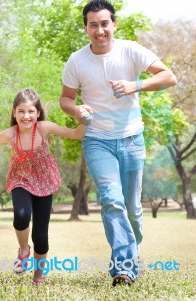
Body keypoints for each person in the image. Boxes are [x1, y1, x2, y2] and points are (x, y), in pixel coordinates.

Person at [60, 0, 177, 286]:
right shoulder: (77, 60)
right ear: (86, 28)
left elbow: (168, 77)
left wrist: (135, 85)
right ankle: (124, 269)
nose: (99, 30)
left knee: (133, 209)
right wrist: (77, 110)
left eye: (104, 23)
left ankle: (132, 252)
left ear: (114, 24)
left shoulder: (132, 50)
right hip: (97, 140)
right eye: (93, 25)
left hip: (132, 139)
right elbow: (65, 99)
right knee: (112, 201)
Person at [0, 89, 87, 285]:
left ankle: (38, 276)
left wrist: (84, 118)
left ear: (38, 113)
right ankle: (24, 250)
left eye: (31, 112)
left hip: (44, 182)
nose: (26, 116)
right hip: (21, 180)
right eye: (21, 112)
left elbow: (77, 134)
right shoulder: (10, 134)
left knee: (41, 235)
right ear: (14, 113)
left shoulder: (44, 128)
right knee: (22, 215)